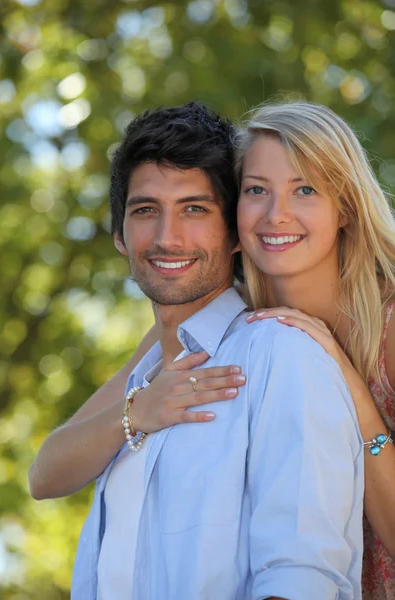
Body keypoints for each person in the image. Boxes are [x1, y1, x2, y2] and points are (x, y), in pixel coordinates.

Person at [29, 102, 364, 600]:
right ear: (120, 235)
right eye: (145, 210)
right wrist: (136, 413)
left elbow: (300, 574)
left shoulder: (278, 351)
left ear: (234, 232)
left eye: (194, 209)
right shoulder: (145, 380)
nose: (168, 238)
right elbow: (45, 474)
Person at [236, 101, 395, 600]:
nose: (274, 213)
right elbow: (47, 472)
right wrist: (137, 411)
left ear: (345, 207)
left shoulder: (389, 327)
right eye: (255, 190)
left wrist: (349, 382)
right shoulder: (228, 321)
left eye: (305, 189)